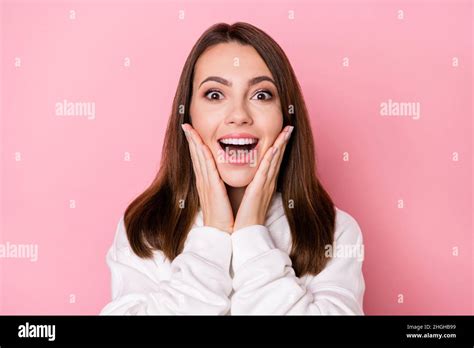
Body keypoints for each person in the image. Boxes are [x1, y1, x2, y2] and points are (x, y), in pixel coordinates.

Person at [100, 22, 365, 315]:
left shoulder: (334, 231)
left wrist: (251, 232)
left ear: (286, 117)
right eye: (215, 95)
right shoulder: (144, 228)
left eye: (261, 95)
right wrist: (213, 236)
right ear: (187, 114)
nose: (239, 115)